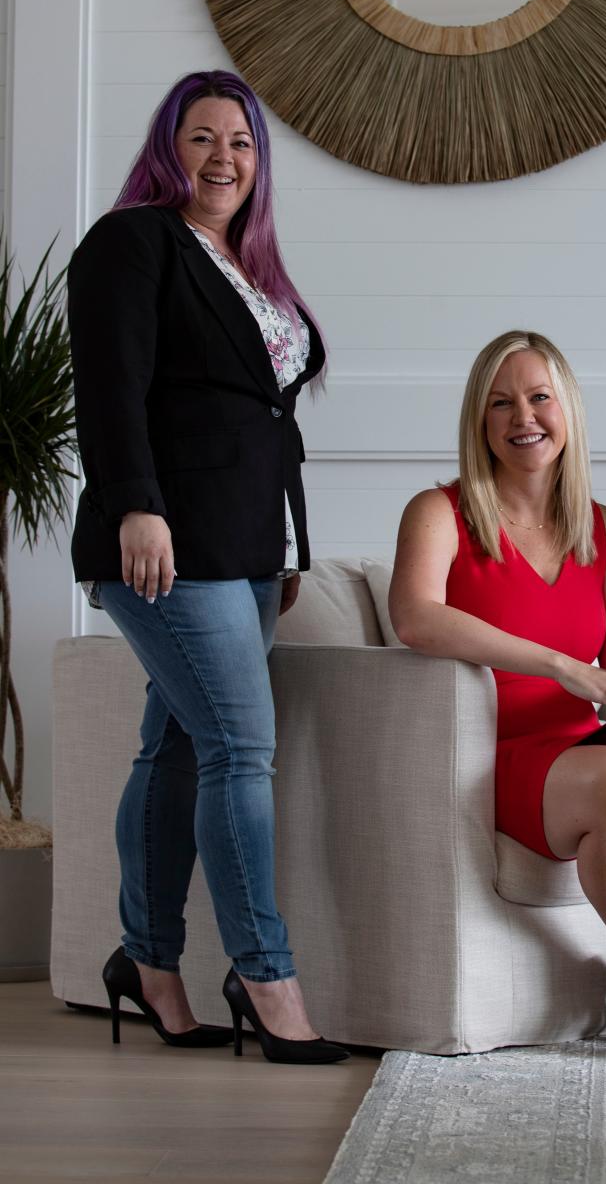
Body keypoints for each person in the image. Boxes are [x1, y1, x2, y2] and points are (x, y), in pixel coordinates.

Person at [68, 70, 347, 1065]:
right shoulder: (134, 241)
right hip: (167, 539)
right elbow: (111, 388)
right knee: (239, 747)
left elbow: (260, 419)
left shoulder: (246, 263)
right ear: (167, 147)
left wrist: (286, 548)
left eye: (240, 142)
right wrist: (137, 505)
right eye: (201, 137)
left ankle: (146, 963)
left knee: (180, 748)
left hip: (244, 547)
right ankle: (266, 978)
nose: (222, 158)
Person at [389, 329, 606, 1059]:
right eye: (501, 403)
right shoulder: (440, 513)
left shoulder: (602, 527)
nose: (524, 416)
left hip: (577, 743)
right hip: (497, 755)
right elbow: (415, 618)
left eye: (540, 397)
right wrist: (560, 665)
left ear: (567, 410)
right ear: (480, 423)